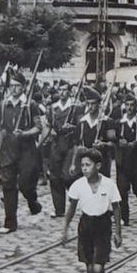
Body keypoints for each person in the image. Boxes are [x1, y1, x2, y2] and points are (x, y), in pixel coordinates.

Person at [61, 148, 122, 273]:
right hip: (86, 227)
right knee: (89, 268)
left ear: (98, 166)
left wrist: (118, 232)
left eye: (88, 165)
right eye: (82, 165)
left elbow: (116, 208)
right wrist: (64, 228)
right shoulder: (78, 185)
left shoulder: (109, 184)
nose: (84, 168)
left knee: (98, 268)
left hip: (103, 226)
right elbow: (71, 209)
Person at [0, 79, 43, 234]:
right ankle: (10, 223)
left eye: (17, 86)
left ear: (23, 87)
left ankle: (33, 201)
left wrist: (24, 133)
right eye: (12, 86)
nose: (14, 89)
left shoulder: (30, 105)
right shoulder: (3, 105)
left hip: (26, 149)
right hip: (8, 149)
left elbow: (38, 128)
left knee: (25, 184)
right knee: (8, 185)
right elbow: (0, 127)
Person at [46, 82, 82, 218]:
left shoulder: (76, 107)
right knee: (55, 177)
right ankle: (59, 209)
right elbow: (49, 125)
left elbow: (80, 125)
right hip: (56, 145)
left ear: (69, 92)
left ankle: (74, 194)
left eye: (64, 90)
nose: (62, 93)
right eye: (60, 90)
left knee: (68, 176)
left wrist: (72, 127)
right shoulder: (53, 108)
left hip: (71, 143)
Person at [115, 94, 137, 225]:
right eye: (127, 105)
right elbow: (113, 139)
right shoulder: (119, 123)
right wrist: (119, 141)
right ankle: (125, 217)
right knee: (122, 190)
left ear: (136, 107)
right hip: (123, 162)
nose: (129, 108)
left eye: (132, 105)